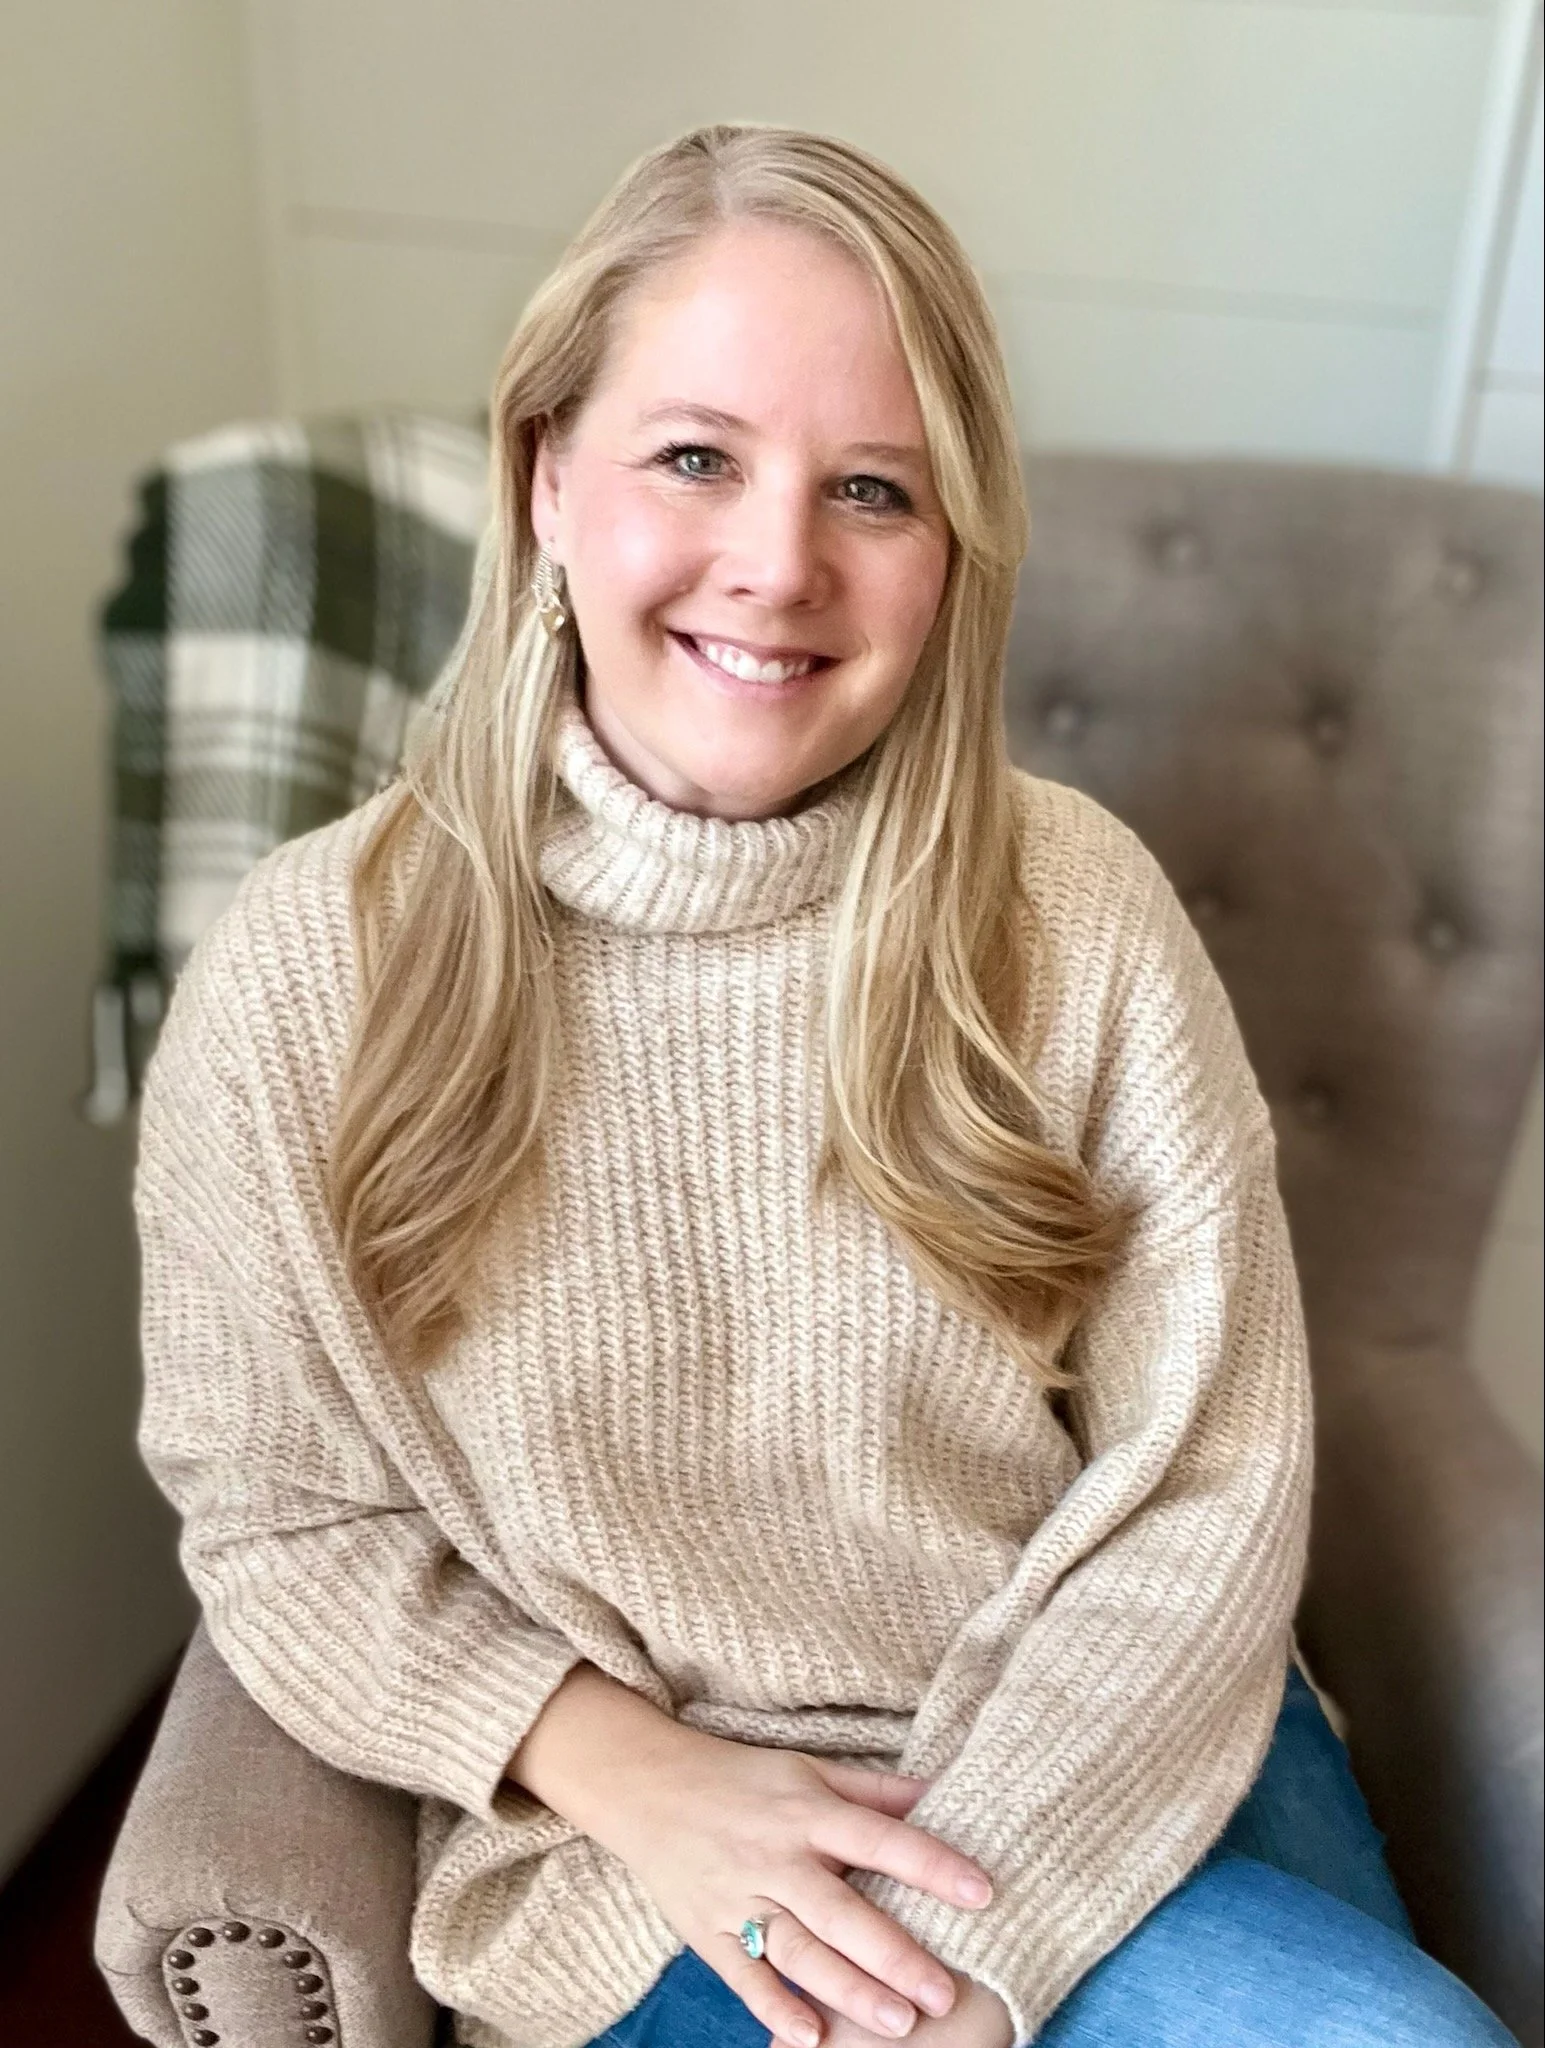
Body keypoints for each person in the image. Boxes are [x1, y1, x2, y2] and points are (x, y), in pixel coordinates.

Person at [132, 124, 1518, 2048]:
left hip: (1117, 1715)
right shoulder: (307, 974)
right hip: (649, 1851)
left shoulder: (1079, 916)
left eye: (874, 489)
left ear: (951, 553)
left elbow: (1204, 1476)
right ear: (548, 478)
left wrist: (977, 1934)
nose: (778, 566)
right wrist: (613, 1766)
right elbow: (280, 1520)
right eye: (695, 455)